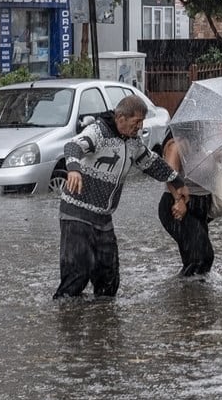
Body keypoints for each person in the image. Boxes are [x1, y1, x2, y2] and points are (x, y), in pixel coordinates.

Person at [54, 95, 190, 299]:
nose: (140, 127)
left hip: (103, 219)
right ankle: (68, 321)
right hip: (77, 215)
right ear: (121, 118)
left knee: (109, 280)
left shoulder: (133, 142)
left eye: (142, 122)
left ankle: (103, 325)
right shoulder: (98, 132)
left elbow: (152, 163)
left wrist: (178, 183)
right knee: (76, 276)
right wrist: (73, 168)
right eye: (136, 122)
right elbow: (72, 146)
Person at [157, 130, 218, 276]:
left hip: (200, 208)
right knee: (201, 257)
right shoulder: (177, 146)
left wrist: (215, 158)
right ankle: (188, 293)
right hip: (178, 206)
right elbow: (169, 174)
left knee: (196, 258)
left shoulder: (200, 146)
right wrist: (178, 200)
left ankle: (189, 293)